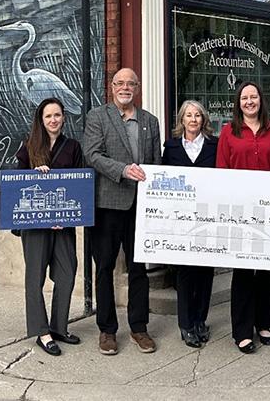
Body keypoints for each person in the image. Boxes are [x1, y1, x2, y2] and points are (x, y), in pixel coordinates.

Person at [83, 67, 162, 355]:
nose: (125, 88)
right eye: (120, 83)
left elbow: (156, 162)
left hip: (140, 205)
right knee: (104, 267)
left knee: (139, 268)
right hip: (107, 204)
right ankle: (107, 330)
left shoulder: (150, 121)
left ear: (137, 88)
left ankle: (139, 327)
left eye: (131, 83)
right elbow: (92, 154)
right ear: (112, 87)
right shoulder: (97, 117)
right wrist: (123, 170)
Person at [216, 81, 270, 354]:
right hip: (240, 212)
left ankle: (264, 323)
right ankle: (242, 331)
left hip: (268, 210)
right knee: (244, 271)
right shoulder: (228, 132)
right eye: (244, 98)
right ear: (238, 103)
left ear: (260, 100)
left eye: (253, 97)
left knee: (267, 270)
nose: (249, 101)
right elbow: (222, 170)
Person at [16, 98, 84, 356]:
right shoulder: (29, 146)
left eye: (57, 115)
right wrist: (33, 174)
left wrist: (66, 217)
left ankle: (59, 327)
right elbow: (16, 182)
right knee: (35, 277)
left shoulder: (73, 147)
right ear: (41, 120)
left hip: (63, 223)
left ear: (64, 117)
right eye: (48, 116)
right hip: (35, 225)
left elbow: (78, 184)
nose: (53, 120)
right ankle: (42, 332)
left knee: (67, 272)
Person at [162, 100, 219, 348]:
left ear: (203, 119)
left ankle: (200, 320)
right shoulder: (172, 147)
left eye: (197, 115)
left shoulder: (215, 145)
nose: (193, 119)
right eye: (188, 115)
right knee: (185, 273)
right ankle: (186, 325)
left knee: (205, 272)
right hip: (181, 220)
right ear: (181, 120)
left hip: (208, 217)